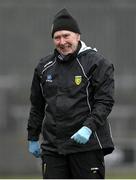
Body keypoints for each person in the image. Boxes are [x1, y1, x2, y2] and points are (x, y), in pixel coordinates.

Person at [27, 8, 115, 179]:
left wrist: (87, 128)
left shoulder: (98, 63)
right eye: (57, 37)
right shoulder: (43, 67)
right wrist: (32, 136)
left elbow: (105, 102)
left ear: (78, 36)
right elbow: (37, 105)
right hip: (53, 148)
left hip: (87, 146)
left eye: (66, 35)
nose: (62, 41)